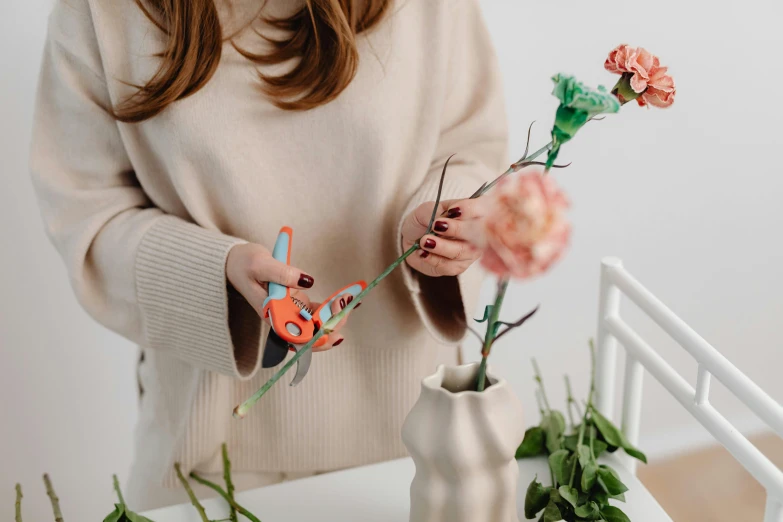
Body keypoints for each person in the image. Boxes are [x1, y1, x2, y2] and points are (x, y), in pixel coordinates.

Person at [30, 0, 507, 509]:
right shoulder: (101, 14)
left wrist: (443, 221)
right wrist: (215, 273)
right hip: (208, 450)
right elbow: (88, 212)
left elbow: (471, 145)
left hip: (420, 438)